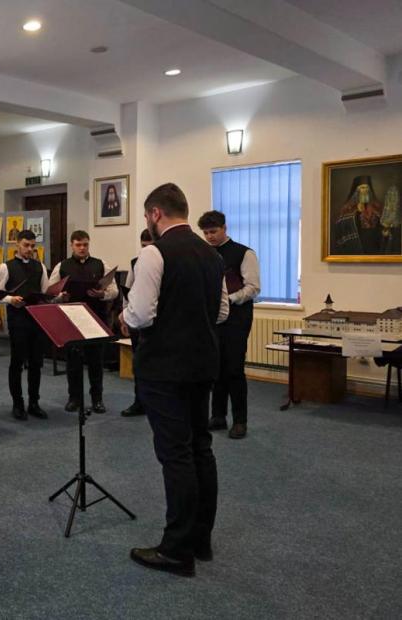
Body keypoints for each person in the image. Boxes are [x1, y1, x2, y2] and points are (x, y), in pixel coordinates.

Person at [119, 182, 228, 578]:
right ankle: (200, 539)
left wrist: (123, 316)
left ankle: (176, 550)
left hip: (165, 369)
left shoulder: (154, 252)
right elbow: (222, 313)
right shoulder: (212, 254)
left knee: (176, 454)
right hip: (203, 363)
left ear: (155, 214)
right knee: (201, 448)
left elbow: (141, 314)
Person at [198, 210, 260, 439]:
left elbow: (253, 287)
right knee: (215, 369)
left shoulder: (244, 253)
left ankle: (240, 421)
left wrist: (228, 299)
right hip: (212, 318)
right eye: (206, 233)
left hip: (237, 318)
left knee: (233, 369)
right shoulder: (204, 254)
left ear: (224, 228)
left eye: (213, 232)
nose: (209, 237)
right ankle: (218, 416)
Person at [49, 230, 118, 414]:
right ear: (71, 245)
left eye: (85, 244)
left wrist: (102, 294)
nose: (82, 248)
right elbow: (50, 292)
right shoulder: (62, 266)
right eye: (78, 245)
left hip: (95, 318)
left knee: (96, 361)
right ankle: (74, 398)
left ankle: (97, 399)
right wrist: (60, 296)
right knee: (73, 362)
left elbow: (114, 291)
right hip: (71, 319)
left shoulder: (101, 264)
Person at [0, 229, 50, 421]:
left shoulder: (40, 266)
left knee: (36, 363)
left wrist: (57, 296)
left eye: (32, 246)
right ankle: (17, 404)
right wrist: (10, 299)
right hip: (18, 319)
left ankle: (34, 402)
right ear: (17, 244)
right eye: (26, 245)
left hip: (37, 319)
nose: (29, 249)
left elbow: (45, 292)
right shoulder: (6, 267)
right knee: (17, 362)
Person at [120, 228, 154, 417]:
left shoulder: (164, 261)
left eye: (149, 246)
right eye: (143, 246)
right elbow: (128, 291)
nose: (145, 250)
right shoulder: (136, 262)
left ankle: (154, 403)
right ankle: (139, 401)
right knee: (138, 363)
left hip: (155, 322)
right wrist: (125, 316)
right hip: (136, 321)